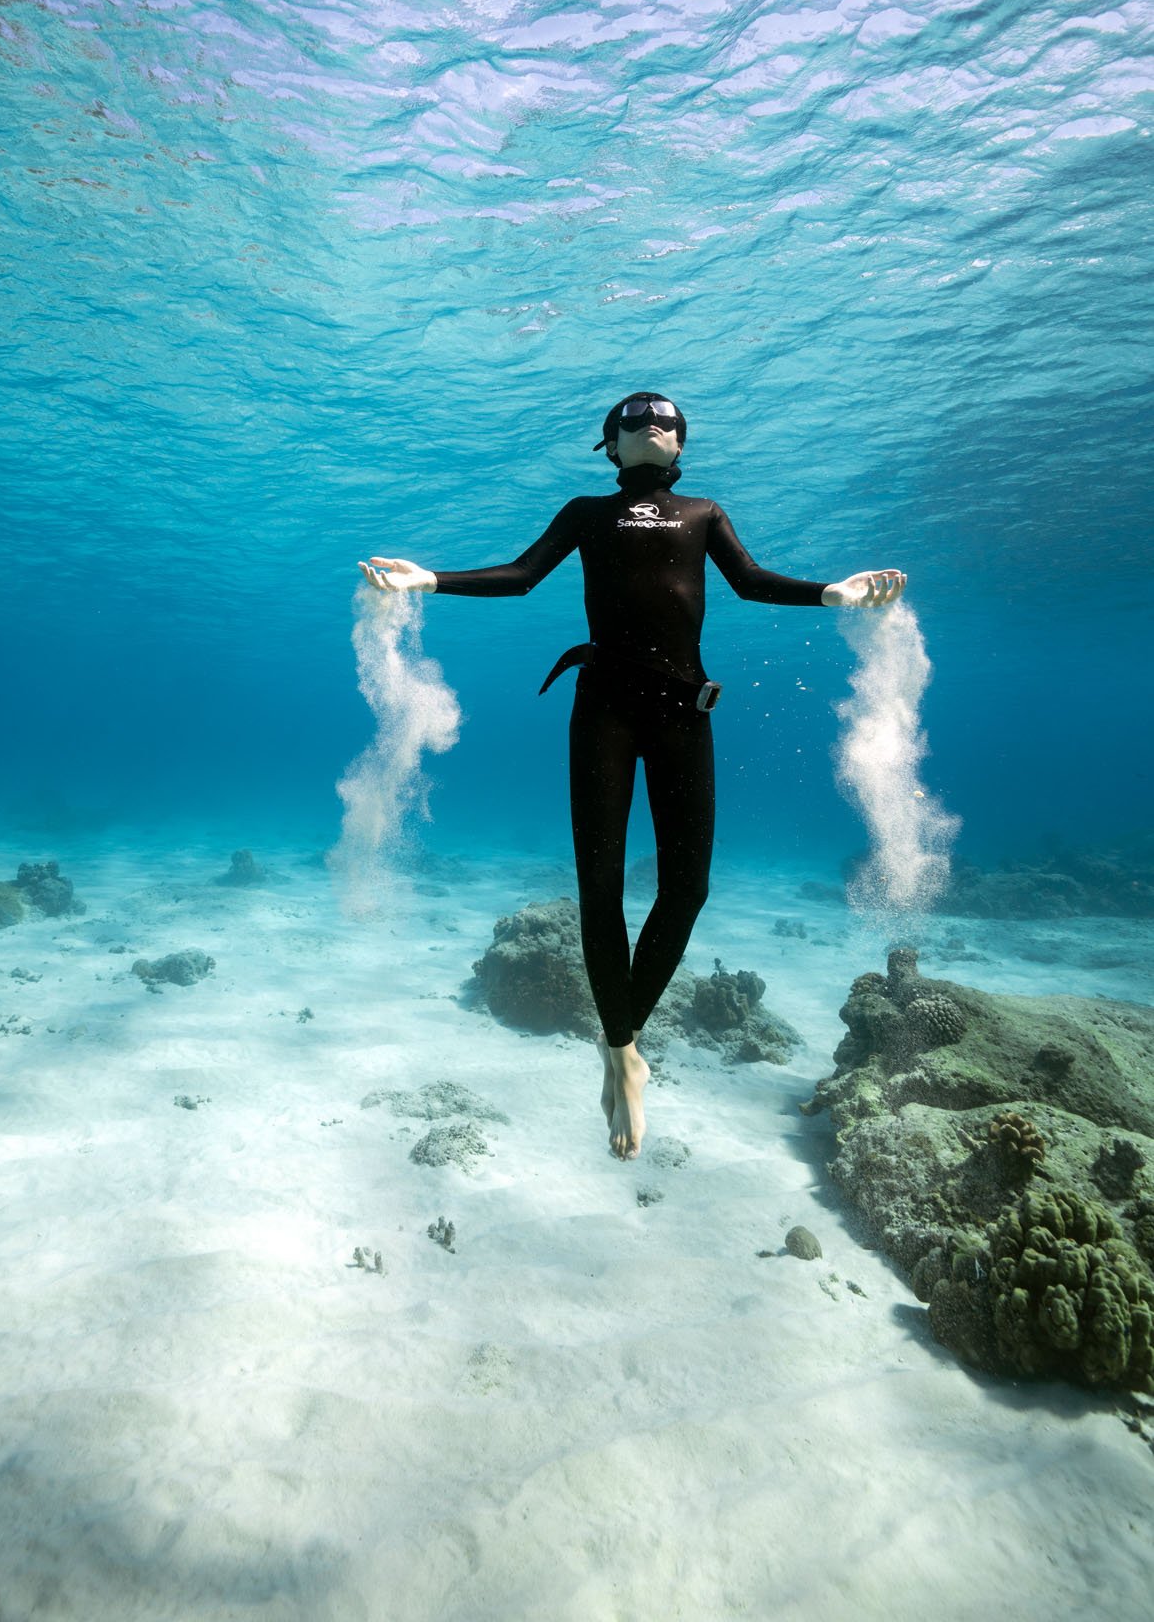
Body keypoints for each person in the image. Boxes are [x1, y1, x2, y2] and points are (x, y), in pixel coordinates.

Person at [358, 391, 905, 1161]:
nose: (653, 421)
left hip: (686, 715)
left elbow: (750, 581)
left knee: (689, 889)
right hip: (603, 712)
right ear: (609, 446)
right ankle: (622, 1051)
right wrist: (428, 580)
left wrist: (832, 593)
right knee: (600, 885)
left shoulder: (705, 512)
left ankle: (622, 1037)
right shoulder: (586, 511)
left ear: (681, 445)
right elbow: (521, 576)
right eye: (635, 418)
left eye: (668, 418)